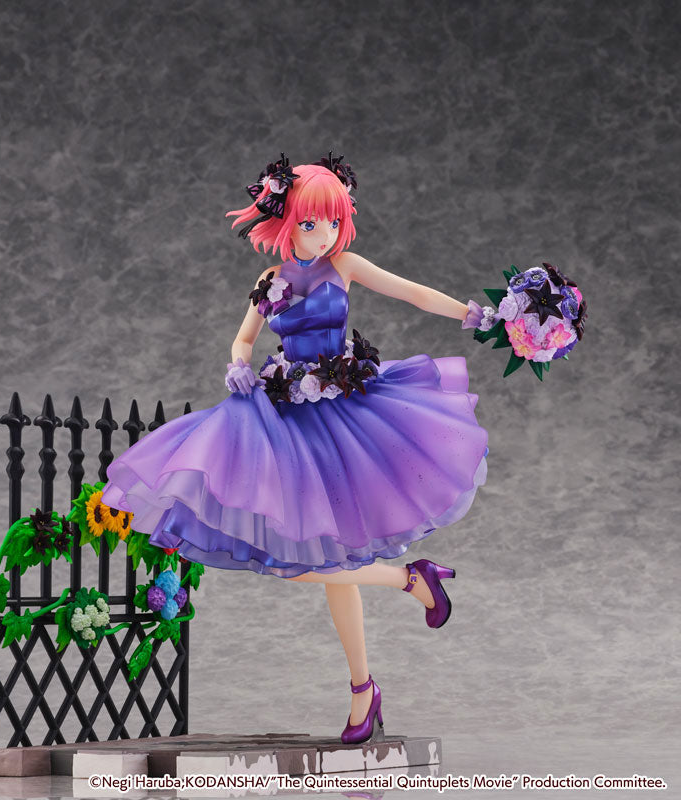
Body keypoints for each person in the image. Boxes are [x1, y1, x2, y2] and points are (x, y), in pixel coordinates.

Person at [101, 152, 492, 744]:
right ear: (286, 222)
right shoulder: (271, 281)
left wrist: (470, 314)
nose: (324, 234)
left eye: (334, 221)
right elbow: (244, 338)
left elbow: (411, 292)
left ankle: (365, 685)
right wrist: (237, 364)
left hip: (344, 416)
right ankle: (404, 591)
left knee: (332, 561)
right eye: (311, 223)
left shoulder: (344, 265)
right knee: (315, 561)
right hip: (289, 418)